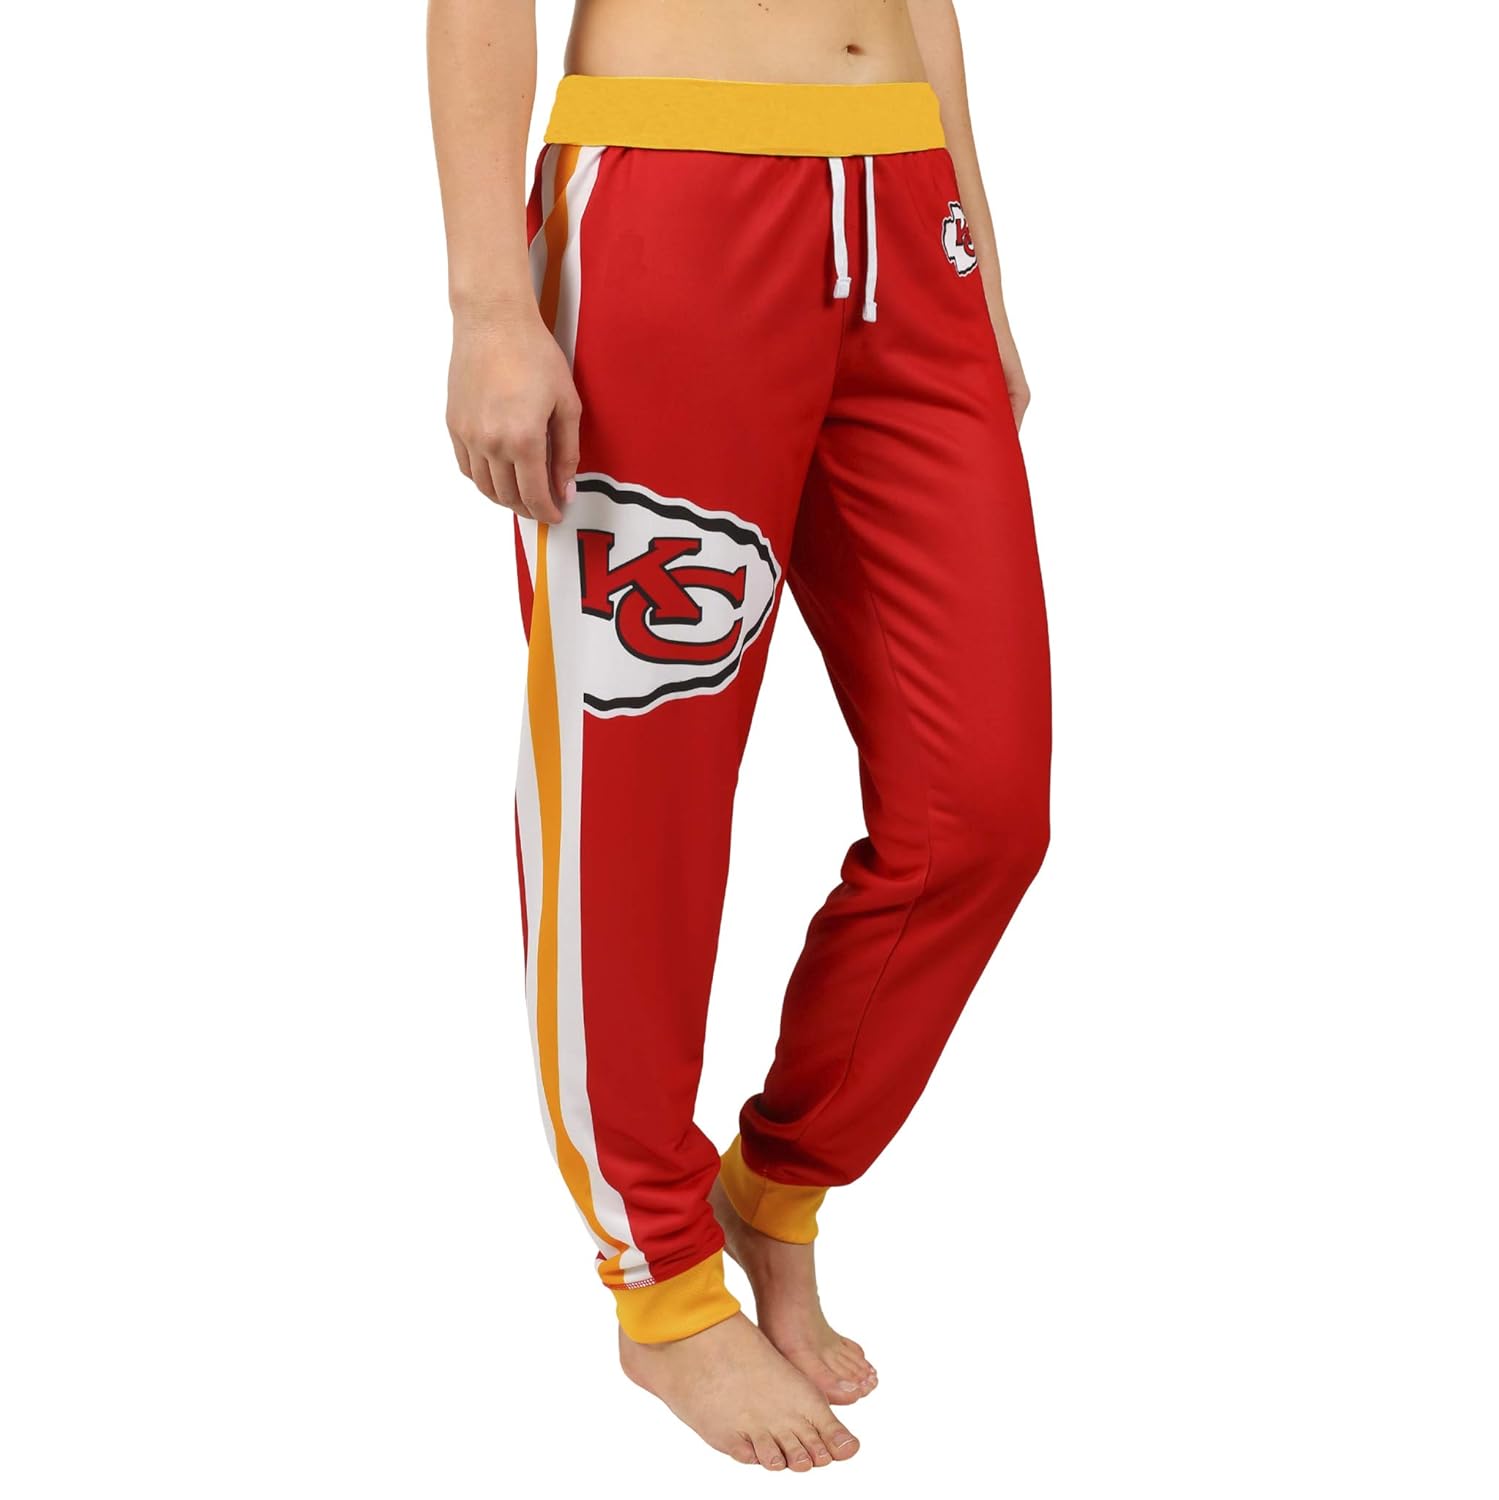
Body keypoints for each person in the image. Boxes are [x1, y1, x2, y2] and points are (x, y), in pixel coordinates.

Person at [427, 0, 1050, 1471]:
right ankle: (659, 1280)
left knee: (982, 805)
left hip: (906, 212)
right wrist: (490, 307)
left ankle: (770, 1189)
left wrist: (976, 252)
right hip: (673, 195)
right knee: (643, 792)